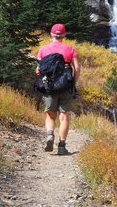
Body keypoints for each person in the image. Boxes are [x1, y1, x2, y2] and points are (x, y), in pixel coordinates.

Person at [37, 23, 81, 155]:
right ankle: (62, 146)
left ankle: (50, 135)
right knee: (64, 117)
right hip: (65, 85)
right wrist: (73, 82)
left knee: (50, 115)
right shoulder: (70, 49)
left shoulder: (43, 50)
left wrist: (44, 82)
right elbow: (77, 68)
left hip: (49, 86)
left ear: (51, 35)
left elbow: (38, 70)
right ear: (64, 35)